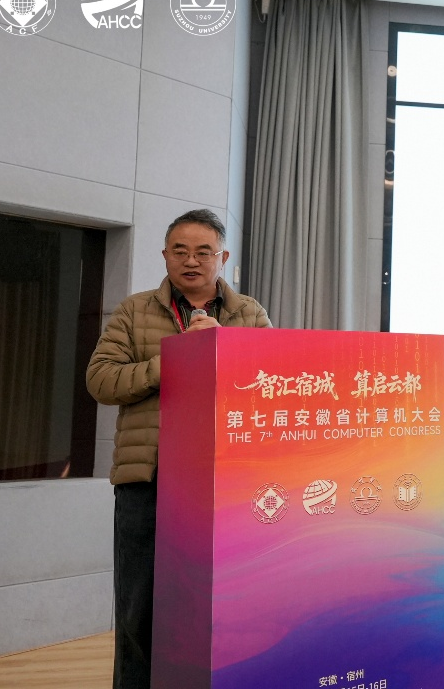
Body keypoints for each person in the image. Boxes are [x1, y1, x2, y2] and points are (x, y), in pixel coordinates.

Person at [86, 210, 271, 689]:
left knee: (218, 606)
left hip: (224, 484)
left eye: (203, 252)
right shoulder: (135, 310)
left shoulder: (249, 313)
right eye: (180, 251)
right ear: (165, 255)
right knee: (138, 608)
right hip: (148, 480)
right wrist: (177, 357)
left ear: (222, 258)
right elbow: (101, 380)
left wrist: (221, 350)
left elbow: (270, 385)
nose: (191, 261)